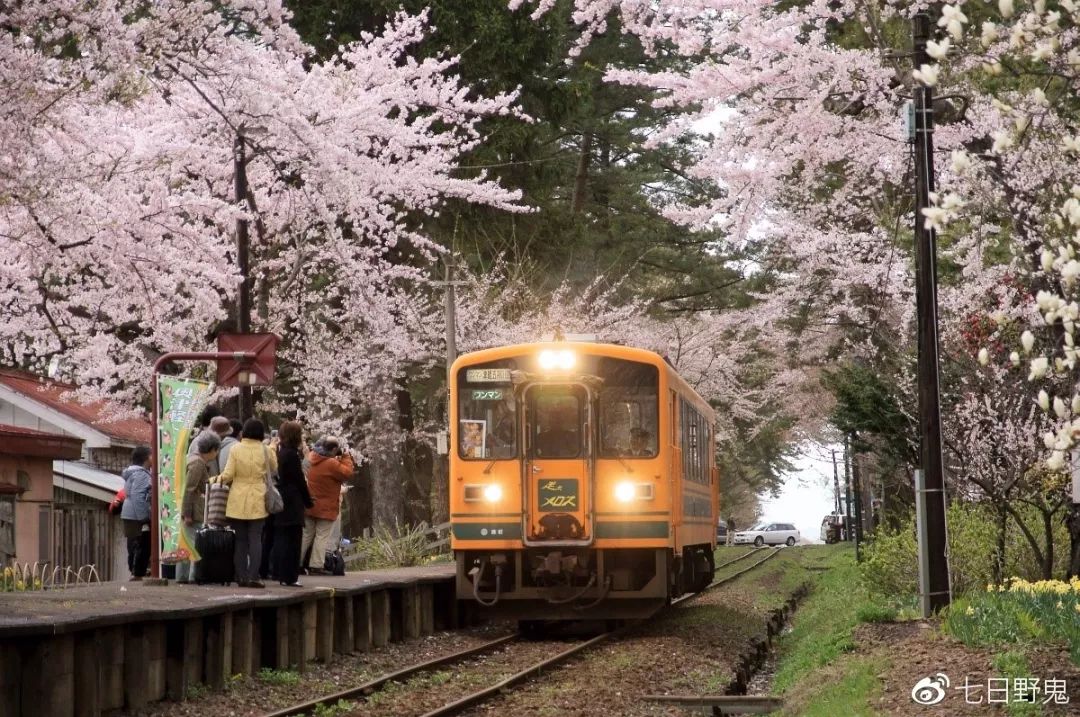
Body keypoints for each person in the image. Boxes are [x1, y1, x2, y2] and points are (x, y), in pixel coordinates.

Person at [217, 418, 277, 588]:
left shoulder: (235, 449)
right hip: (258, 497)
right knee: (256, 539)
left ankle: (241, 576)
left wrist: (213, 480)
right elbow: (274, 468)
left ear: (245, 432)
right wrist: (272, 447)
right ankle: (253, 576)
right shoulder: (265, 450)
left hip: (237, 498)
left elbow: (227, 475)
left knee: (240, 541)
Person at [302, 437, 354, 573]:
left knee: (306, 535)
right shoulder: (330, 464)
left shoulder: (311, 457)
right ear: (333, 449)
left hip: (310, 503)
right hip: (326, 507)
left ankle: (296, 562)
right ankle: (316, 565)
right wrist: (345, 455)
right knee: (321, 537)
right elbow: (347, 473)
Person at [271, 421, 314, 586]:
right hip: (292, 499)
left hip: (281, 497)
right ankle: (290, 576)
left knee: (281, 538)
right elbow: (299, 480)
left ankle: (280, 573)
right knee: (294, 539)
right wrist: (308, 501)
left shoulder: (280, 453)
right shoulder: (292, 455)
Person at [176, 432, 221, 584]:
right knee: (193, 544)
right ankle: (189, 577)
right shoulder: (198, 463)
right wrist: (187, 513)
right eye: (217, 450)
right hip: (193, 510)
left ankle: (184, 577)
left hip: (192, 508)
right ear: (212, 449)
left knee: (188, 544)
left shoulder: (192, 460)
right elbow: (190, 488)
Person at [120, 446, 153, 580]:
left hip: (128, 512)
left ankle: (134, 572)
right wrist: (144, 517)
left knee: (132, 543)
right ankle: (138, 573)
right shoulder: (141, 474)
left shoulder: (131, 473)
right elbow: (138, 496)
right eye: (152, 455)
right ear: (147, 458)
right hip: (137, 513)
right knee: (142, 543)